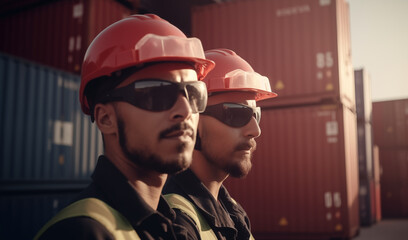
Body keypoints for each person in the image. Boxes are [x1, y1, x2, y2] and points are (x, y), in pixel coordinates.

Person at [34, 14, 215, 240]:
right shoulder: (80, 232)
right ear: (105, 119)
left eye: (194, 94)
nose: (186, 110)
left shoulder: (173, 225)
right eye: (156, 93)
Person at [163, 49, 277, 240]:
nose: (255, 130)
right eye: (237, 114)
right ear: (193, 120)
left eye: (256, 115)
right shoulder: (176, 221)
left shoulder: (232, 211)